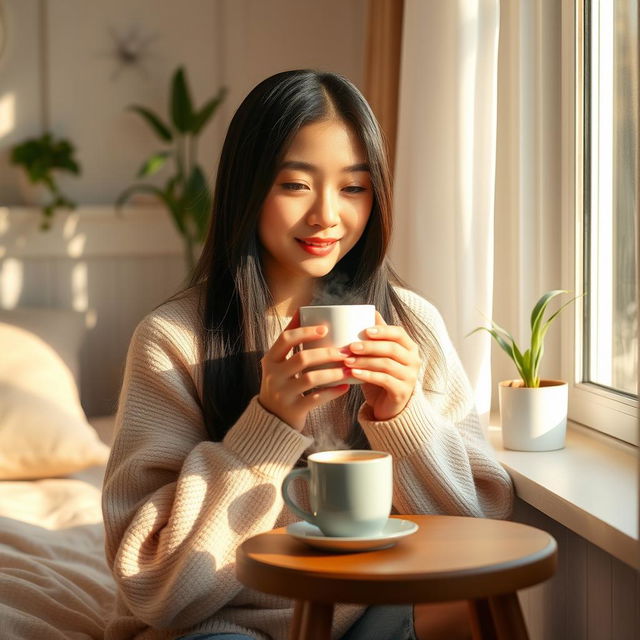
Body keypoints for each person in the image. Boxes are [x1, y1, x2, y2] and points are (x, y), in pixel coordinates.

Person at [102, 69, 514, 640]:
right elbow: (151, 583)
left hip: (371, 607)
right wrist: (269, 422)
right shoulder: (174, 341)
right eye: (296, 185)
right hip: (222, 624)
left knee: (465, 615)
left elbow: (480, 532)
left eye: (353, 187)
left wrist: (403, 418)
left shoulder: (410, 324)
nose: (327, 215)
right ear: (248, 188)